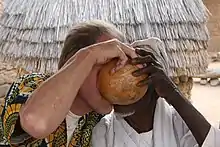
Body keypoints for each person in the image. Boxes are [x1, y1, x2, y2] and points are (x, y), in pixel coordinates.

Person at [1, 20, 138, 146]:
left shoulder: (98, 122)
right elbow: (36, 122)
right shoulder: (31, 85)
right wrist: (91, 54)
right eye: (105, 60)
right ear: (71, 60)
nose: (114, 72)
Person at [92, 41, 220, 147]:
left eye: (139, 73)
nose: (124, 87)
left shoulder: (181, 123)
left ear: (157, 87)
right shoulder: (104, 131)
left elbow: (213, 143)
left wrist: (173, 94)